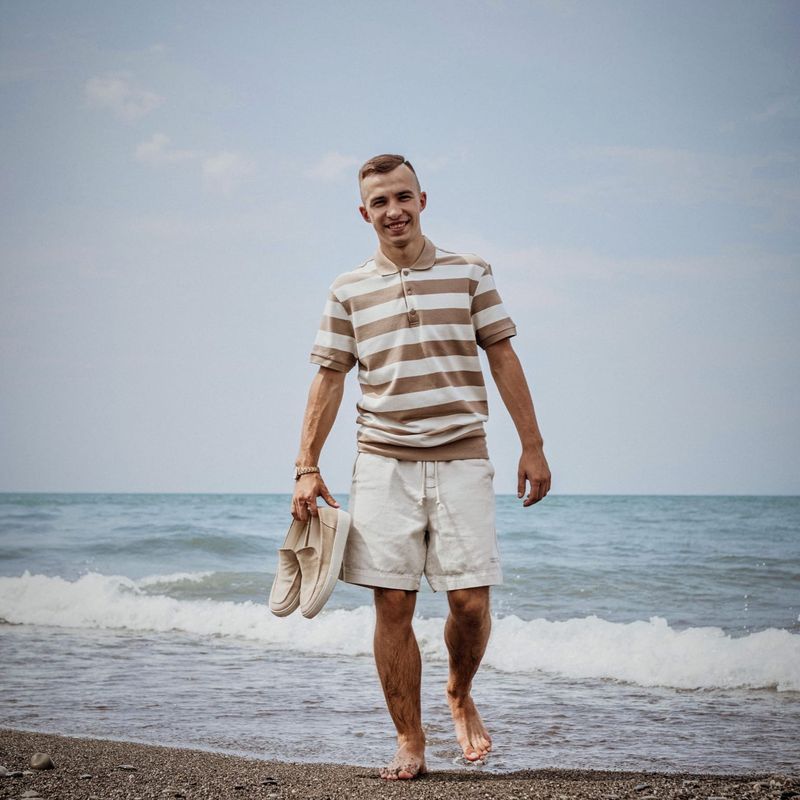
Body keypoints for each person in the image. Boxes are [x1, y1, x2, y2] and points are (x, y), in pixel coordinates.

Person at [291, 154, 551, 780]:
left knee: (468, 601)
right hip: (382, 461)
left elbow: (503, 356)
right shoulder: (347, 288)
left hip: (463, 453)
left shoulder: (470, 272)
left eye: (402, 197)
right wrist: (306, 466)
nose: (393, 211)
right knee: (392, 604)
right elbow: (329, 378)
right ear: (364, 213)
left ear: (423, 199)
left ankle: (459, 694)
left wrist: (533, 445)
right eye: (380, 202)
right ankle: (410, 740)